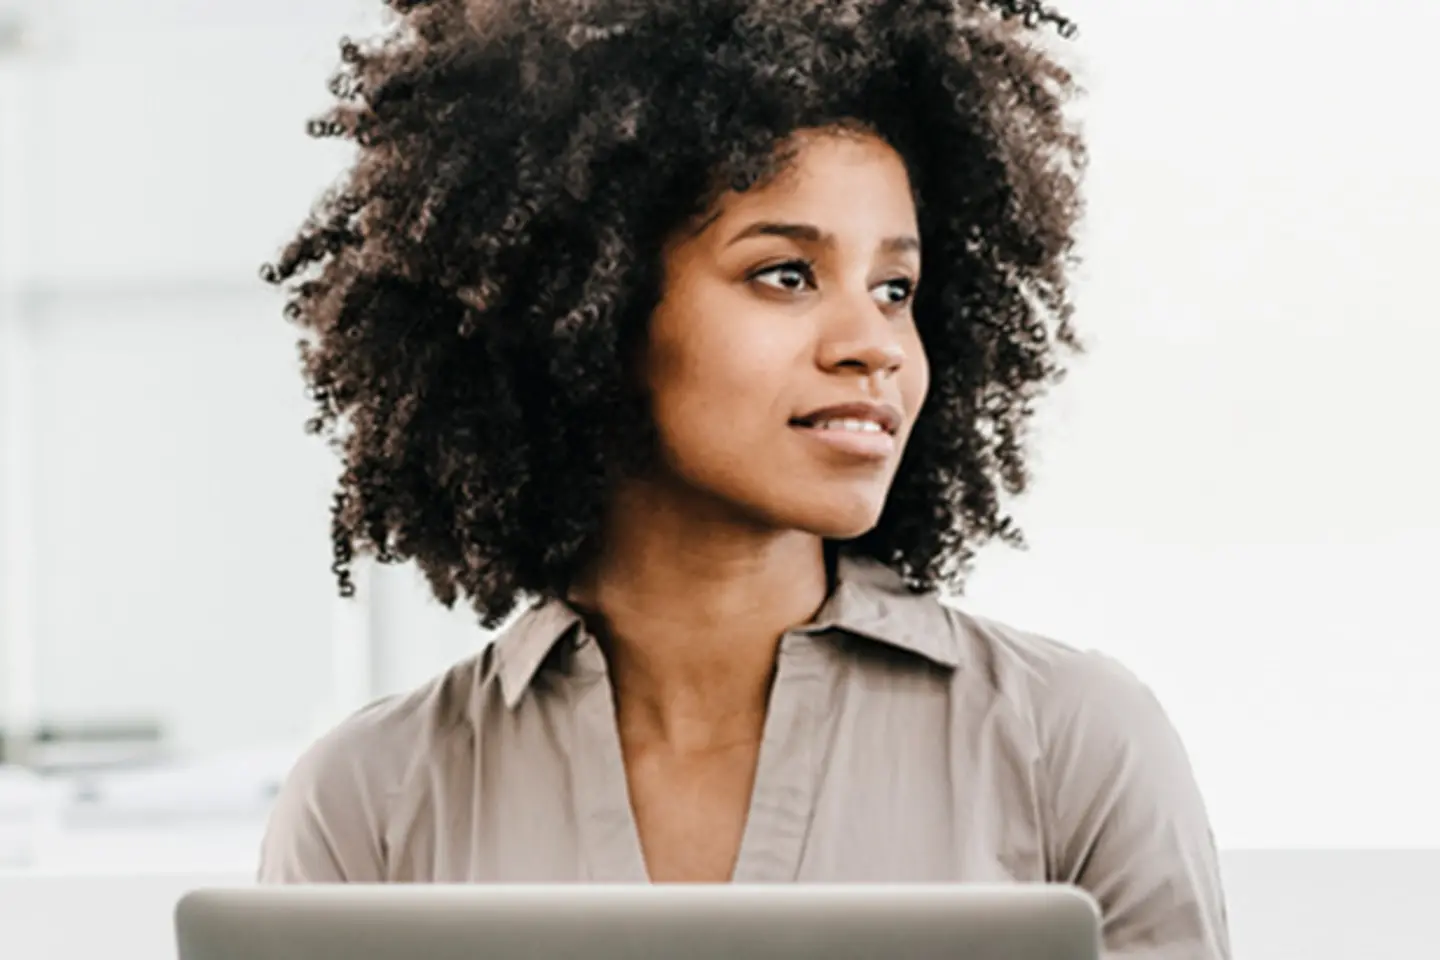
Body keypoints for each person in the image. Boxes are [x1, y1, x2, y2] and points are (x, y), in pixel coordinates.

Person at [257, 0, 1232, 955]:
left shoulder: (1071, 747)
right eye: (786, 275)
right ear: (587, 312)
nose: (874, 346)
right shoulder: (369, 803)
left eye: (896, 290)